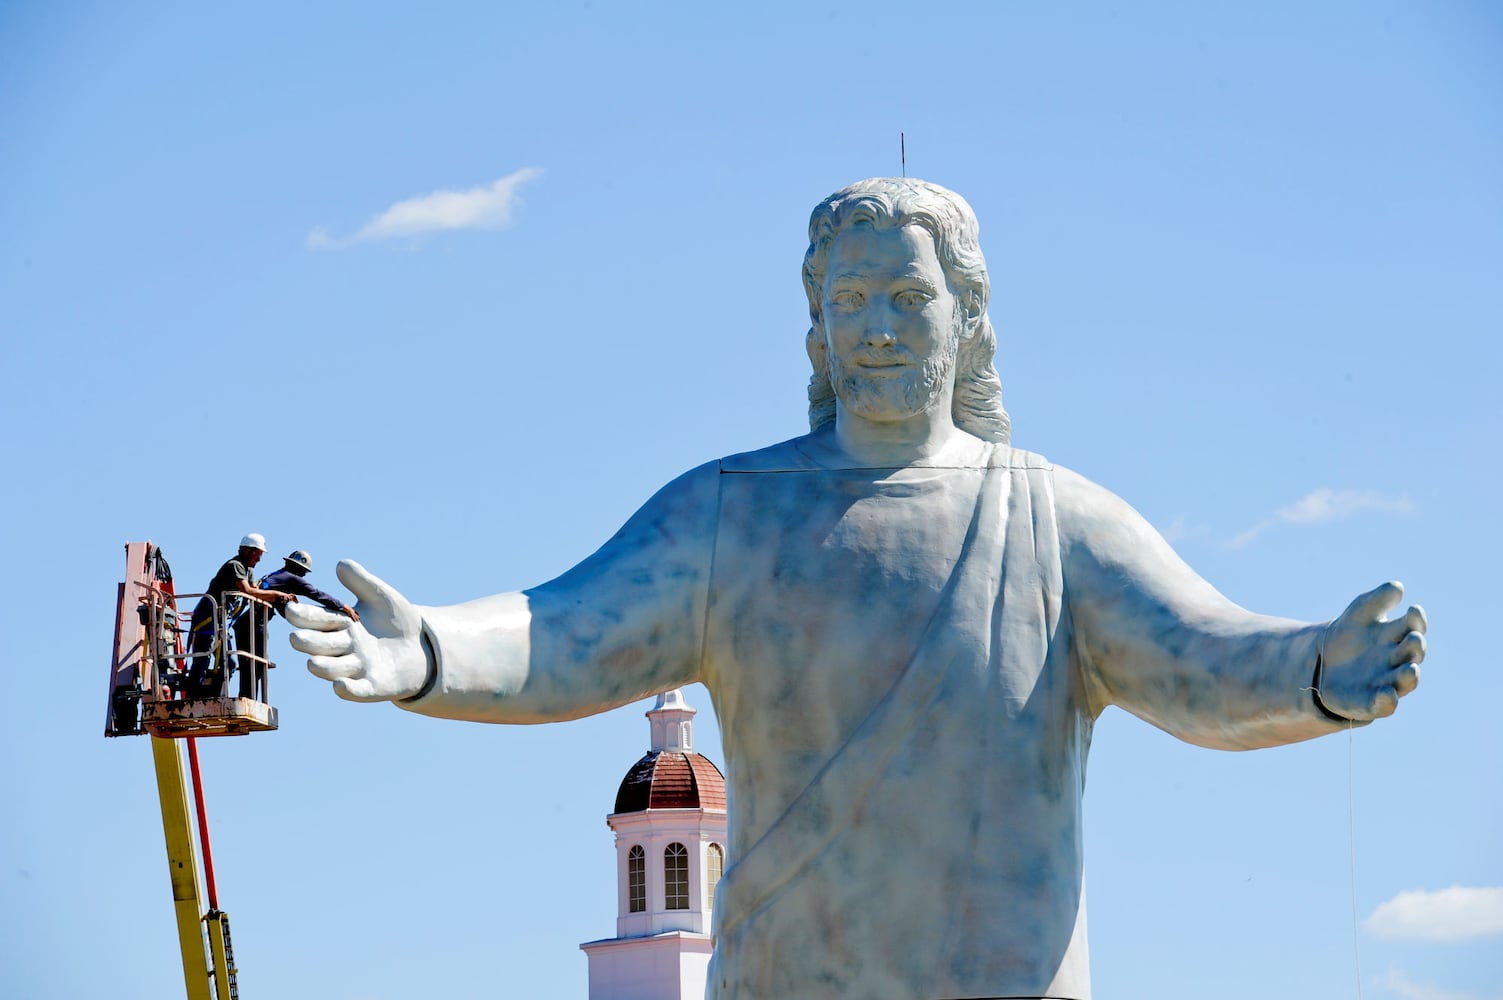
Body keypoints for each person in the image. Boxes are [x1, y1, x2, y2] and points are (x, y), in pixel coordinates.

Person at [286, 179, 1427, 1000]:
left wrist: (1314, 668)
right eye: (852, 301)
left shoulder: (1055, 518)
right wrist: (429, 647)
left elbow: (1205, 659)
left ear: (968, 319)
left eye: (909, 299)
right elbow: (565, 628)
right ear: (818, 327)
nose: (879, 328)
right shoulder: (731, 514)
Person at [235, 550, 359, 700]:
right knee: (256, 664)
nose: (304, 576)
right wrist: (342, 606)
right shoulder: (292, 578)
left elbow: (276, 601)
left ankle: (245, 697)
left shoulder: (277, 575)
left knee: (249, 662)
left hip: (244, 622)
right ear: (299, 569)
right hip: (254, 621)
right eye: (304, 572)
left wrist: (285, 602)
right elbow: (316, 594)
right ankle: (248, 700)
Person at [186, 533, 292, 699]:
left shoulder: (247, 570)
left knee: (230, 663)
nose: (259, 560)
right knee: (202, 659)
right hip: (207, 619)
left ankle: (215, 698)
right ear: (248, 552)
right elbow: (248, 591)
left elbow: (256, 591)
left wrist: (279, 595)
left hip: (220, 622)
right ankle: (192, 698)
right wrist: (277, 594)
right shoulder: (235, 566)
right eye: (258, 555)